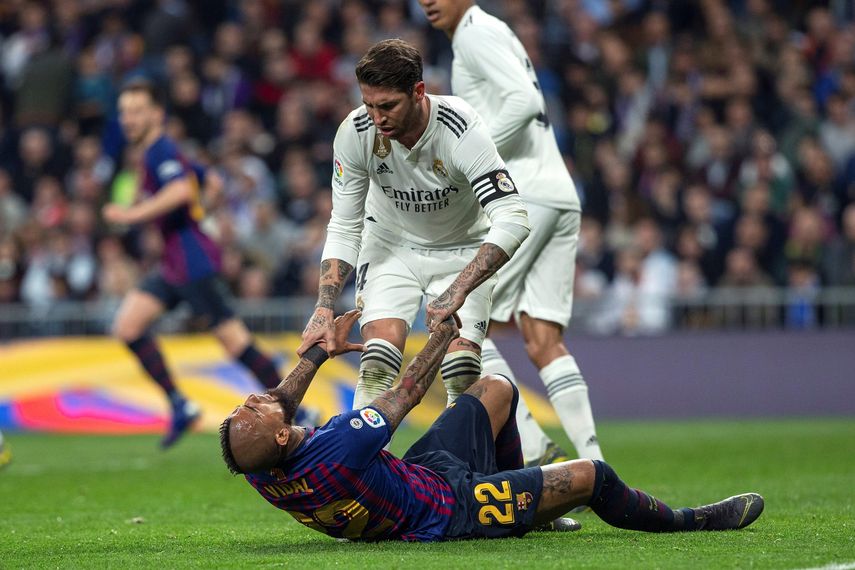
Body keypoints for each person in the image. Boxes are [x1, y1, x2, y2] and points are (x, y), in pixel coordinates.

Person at [219, 309, 765, 542]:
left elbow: (277, 406)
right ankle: (693, 521)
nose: (251, 399)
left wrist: (315, 358)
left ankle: (527, 510)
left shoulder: (259, 467)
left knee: (499, 388)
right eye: (251, 409)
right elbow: (407, 392)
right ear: (284, 435)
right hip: (446, 513)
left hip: (415, 479)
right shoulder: (340, 444)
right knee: (591, 476)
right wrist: (443, 332)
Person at [298, 39, 530, 412]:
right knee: (377, 361)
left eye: (388, 106)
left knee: (461, 368)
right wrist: (324, 307)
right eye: (369, 105)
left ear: (419, 91)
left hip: (461, 249)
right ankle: (365, 467)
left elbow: (514, 216)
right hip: (391, 247)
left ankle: (462, 470)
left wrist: (459, 287)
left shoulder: (460, 130)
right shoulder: (356, 132)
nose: (377, 118)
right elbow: (344, 224)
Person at [420, 0, 603, 465]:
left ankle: (540, 451)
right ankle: (592, 461)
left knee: (460, 316)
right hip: (556, 189)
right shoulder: (490, 31)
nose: (427, 1)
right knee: (542, 338)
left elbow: (525, 102)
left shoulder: (474, 33)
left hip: (524, 195)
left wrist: (469, 156)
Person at [102, 79, 290, 448]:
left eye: (137, 111)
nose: (128, 119)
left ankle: (293, 405)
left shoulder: (160, 150)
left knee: (234, 342)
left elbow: (180, 190)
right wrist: (207, 206)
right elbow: (210, 181)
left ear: (157, 114)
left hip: (191, 262)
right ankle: (180, 403)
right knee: (128, 326)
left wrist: (131, 215)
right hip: (174, 263)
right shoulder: (164, 151)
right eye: (124, 111)